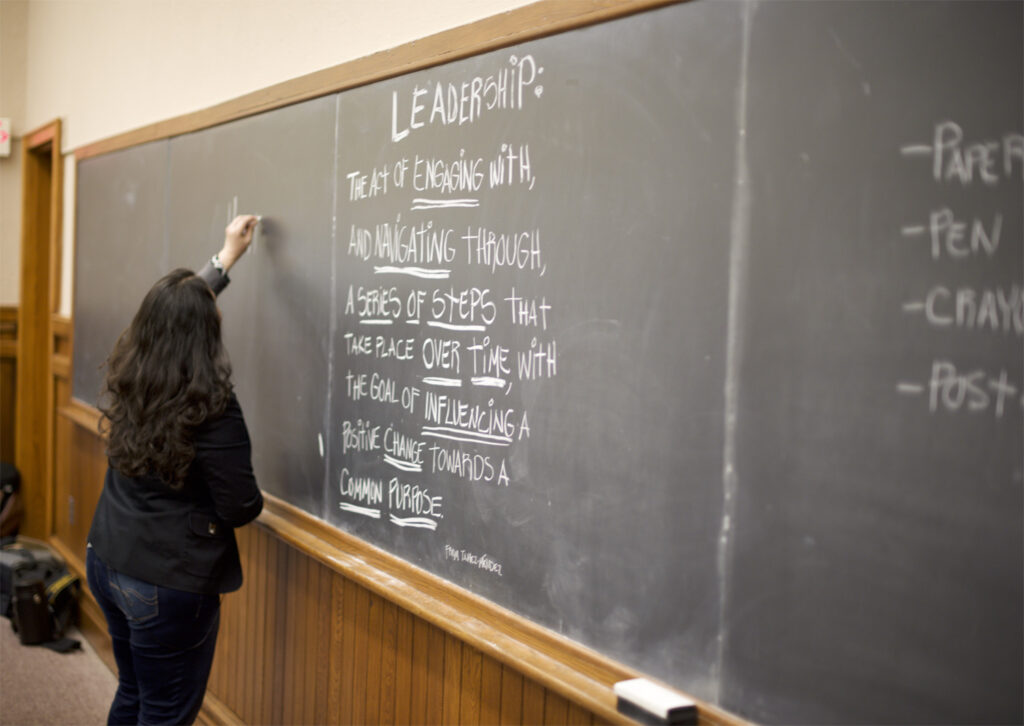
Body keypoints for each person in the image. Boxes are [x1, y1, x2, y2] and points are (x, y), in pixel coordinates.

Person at [86, 215, 264, 726]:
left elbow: (175, 315)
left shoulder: (133, 369)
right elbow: (240, 505)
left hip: (108, 558)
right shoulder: (212, 404)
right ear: (204, 334)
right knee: (164, 714)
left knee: (136, 694)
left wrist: (225, 258)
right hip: (164, 582)